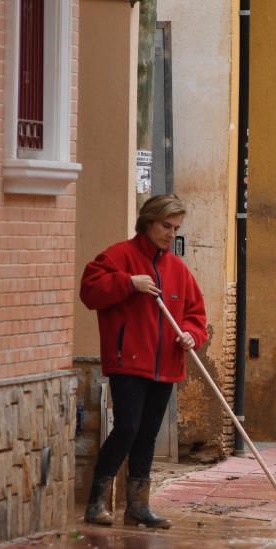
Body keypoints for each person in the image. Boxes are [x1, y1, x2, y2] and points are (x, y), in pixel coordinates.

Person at [80, 193, 208, 529]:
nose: (171, 233)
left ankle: (138, 506)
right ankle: (95, 503)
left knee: (147, 434)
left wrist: (191, 335)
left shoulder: (179, 271)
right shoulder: (118, 256)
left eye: (176, 228)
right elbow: (90, 292)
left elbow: (196, 315)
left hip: (166, 365)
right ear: (148, 221)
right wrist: (128, 283)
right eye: (166, 226)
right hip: (128, 362)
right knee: (127, 427)